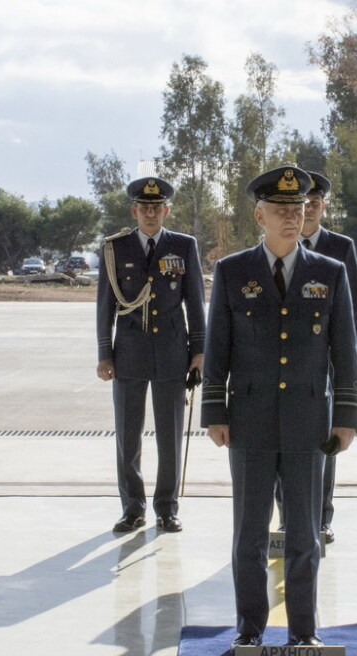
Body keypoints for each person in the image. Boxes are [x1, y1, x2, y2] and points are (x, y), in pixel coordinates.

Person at [202, 166, 357, 648]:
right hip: (248, 420)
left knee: (305, 536)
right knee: (249, 536)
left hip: (307, 421)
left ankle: (303, 634)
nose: (292, 218)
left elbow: (345, 351)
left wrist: (347, 416)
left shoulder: (329, 273)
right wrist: (215, 409)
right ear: (259, 215)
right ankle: (249, 632)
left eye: (297, 209)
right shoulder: (233, 272)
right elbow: (218, 348)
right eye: (280, 210)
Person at [96, 177, 205, 533]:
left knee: (170, 435)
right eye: (144, 208)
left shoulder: (183, 246)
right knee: (128, 435)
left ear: (166, 211)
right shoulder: (116, 248)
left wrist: (199, 351)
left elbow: (194, 302)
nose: (150, 213)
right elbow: (105, 306)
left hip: (173, 352)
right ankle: (132, 507)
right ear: (134, 211)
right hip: (128, 352)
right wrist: (104, 353)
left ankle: (167, 507)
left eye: (156, 208)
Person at [275, 170, 357, 544]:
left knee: (322, 447)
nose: (306, 211)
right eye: (300, 204)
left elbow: (353, 313)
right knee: (280, 444)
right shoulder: (277, 240)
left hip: (323, 366)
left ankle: (322, 517)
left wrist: (351, 366)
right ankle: (286, 517)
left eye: (313, 204)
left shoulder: (340, 248)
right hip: (282, 364)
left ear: (323, 206)